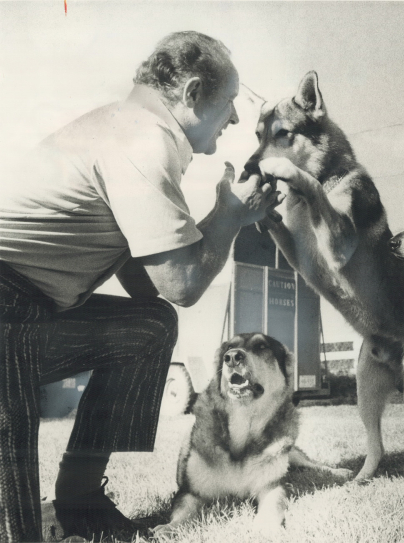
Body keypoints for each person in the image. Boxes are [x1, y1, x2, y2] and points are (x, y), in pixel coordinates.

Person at [0, 31, 281, 542]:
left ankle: (80, 502)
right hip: (5, 306)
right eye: (231, 103)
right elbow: (182, 283)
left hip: (24, 308)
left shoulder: (124, 127)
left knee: (147, 328)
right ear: (193, 93)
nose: (236, 119)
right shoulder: (142, 138)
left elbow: (149, 286)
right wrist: (228, 216)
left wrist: (222, 221)